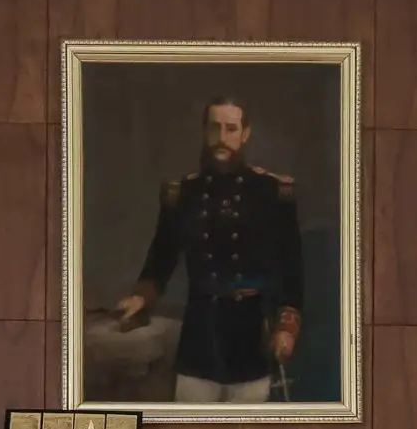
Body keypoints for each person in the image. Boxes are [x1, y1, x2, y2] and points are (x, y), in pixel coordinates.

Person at [115, 97, 304, 405]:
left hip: (251, 340)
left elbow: (292, 269)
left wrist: (286, 328)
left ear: (245, 134)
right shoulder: (183, 194)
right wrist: (141, 295)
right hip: (200, 340)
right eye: (215, 128)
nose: (222, 138)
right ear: (204, 131)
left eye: (231, 129)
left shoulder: (273, 193)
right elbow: (161, 256)